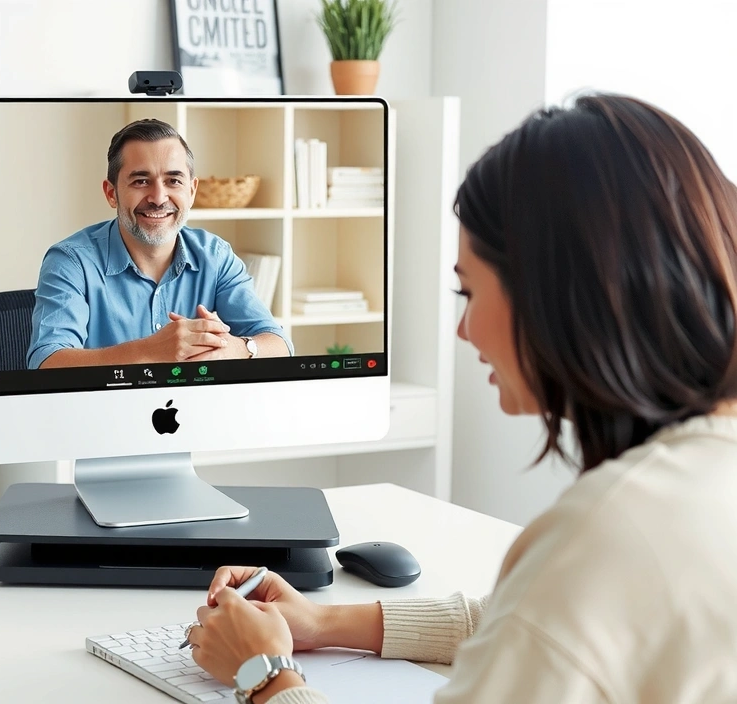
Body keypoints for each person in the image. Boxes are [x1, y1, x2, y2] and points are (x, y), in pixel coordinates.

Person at [183, 94, 737, 703]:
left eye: (468, 291)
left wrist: (263, 674)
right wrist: (320, 623)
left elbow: (551, 611)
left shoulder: (604, 536)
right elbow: (523, 620)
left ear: (555, 295)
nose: (462, 330)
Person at [26, 118, 292, 369]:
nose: (158, 197)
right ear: (111, 193)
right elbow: (47, 362)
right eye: (141, 181)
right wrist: (150, 351)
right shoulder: (71, 261)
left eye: (173, 181)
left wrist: (232, 349)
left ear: (191, 191)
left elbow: (280, 346)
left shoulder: (216, 256)